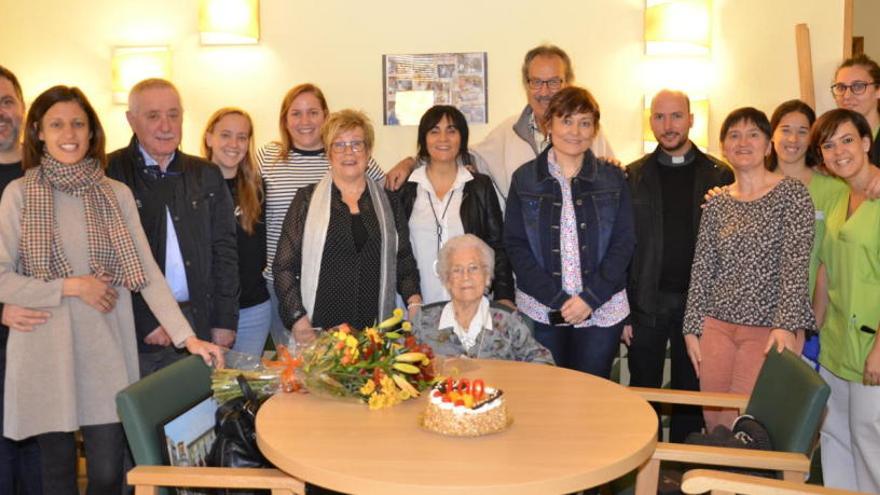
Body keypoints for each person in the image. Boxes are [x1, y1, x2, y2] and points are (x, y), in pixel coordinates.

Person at [0, 85, 223, 495]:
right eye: (57, 124)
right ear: (38, 133)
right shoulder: (18, 195)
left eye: (78, 123)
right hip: (44, 348)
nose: (69, 133)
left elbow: (149, 274)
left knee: (106, 474)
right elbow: (2, 278)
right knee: (57, 477)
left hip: (106, 349)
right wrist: (73, 286)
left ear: (91, 132)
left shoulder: (115, 194)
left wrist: (186, 337)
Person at [682, 107, 814, 430]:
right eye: (734, 135)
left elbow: (795, 265)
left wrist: (785, 325)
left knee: (744, 419)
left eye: (753, 134)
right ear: (724, 147)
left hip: (767, 328)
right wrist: (691, 327)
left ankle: (738, 481)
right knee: (713, 418)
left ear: (768, 145)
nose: (743, 142)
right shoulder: (716, 203)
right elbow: (702, 270)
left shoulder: (792, 194)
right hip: (717, 326)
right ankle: (716, 481)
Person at [107, 78, 238, 376]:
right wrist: (147, 321)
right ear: (132, 120)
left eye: (173, 114)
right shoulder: (109, 173)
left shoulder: (206, 173)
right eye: (153, 116)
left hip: (201, 319)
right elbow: (108, 260)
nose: (166, 126)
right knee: (146, 418)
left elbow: (225, 252)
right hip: (140, 329)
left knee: (201, 416)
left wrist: (225, 320)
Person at [624, 89, 733, 443]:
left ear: (691, 119)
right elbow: (623, 246)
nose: (667, 125)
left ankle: (685, 472)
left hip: (699, 307)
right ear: (650, 121)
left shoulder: (720, 175)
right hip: (646, 303)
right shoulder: (633, 176)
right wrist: (623, 310)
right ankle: (644, 471)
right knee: (643, 393)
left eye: (675, 116)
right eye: (659, 117)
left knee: (692, 395)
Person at [504, 86, 634, 378]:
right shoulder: (524, 179)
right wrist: (559, 301)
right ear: (549, 124)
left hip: (601, 310)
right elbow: (515, 245)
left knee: (592, 396)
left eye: (585, 122)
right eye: (566, 120)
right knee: (548, 397)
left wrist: (590, 298)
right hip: (543, 310)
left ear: (595, 130)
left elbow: (623, 243)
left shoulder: (613, 178)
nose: (575, 131)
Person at [384, 44, 614, 207]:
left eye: (554, 81)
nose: (544, 92)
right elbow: (455, 152)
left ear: (568, 82)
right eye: (536, 82)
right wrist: (411, 162)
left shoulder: (588, 134)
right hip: (526, 261)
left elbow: (612, 191)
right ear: (526, 84)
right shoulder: (508, 132)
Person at [273, 109, 420, 344]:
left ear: (369, 151)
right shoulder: (306, 200)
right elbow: (283, 266)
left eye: (356, 144)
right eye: (339, 145)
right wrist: (298, 319)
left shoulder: (389, 202)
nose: (348, 152)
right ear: (328, 154)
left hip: (377, 330)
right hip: (320, 330)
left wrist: (414, 301)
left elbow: (402, 258)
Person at [258, 84, 384, 349]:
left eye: (313, 112)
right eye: (296, 113)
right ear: (285, 119)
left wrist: (409, 162)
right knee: (296, 370)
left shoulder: (351, 156)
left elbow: (386, 200)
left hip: (335, 287)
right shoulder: (268, 156)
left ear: (325, 116)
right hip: (283, 284)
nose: (305, 121)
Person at [810, 108, 880, 493]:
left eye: (848, 140)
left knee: (870, 443)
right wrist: (814, 324)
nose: (839, 151)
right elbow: (825, 269)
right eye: (829, 144)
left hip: (871, 344)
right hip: (836, 344)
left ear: (867, 143)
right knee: (836, 439)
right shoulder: (839, 200)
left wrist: (879, 349)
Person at [393, 105, 513, 306]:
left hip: (472, 304)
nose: (443, 139)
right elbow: (399, 251)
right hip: (416, 305)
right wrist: (411, 298)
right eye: (434, 131)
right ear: (424, 139)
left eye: (451, 130)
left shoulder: (479, 186)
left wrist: (504, 296)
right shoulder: (406, 189)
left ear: (462, 138)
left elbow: (498, 246)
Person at [413, 235, 553, 364]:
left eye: (473, 268)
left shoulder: (508, 320)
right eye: (457, 270)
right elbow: (399, 365)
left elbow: (543, 360)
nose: (466, 276)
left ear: (487, 276)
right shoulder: (424, 321)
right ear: (446, 279)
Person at [0, 65, 41, 495]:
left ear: (22, 108)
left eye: (7, 101)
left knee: (42, 463)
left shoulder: (49, 171)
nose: (0, 113)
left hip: (42, 340)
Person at [202, 107, 270, 356]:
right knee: (211, 391)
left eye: (242, 137)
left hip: (254, 309)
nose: (234, 144)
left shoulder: (259, 189)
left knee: (245, 390)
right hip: (209, 313)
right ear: (209, 138)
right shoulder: (191, 189)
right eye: (225, 135)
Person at [831, 54, 880, 166]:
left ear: (878, 91)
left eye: (858, 86)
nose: (847, 96)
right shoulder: (828, 138)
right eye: (841, 87)